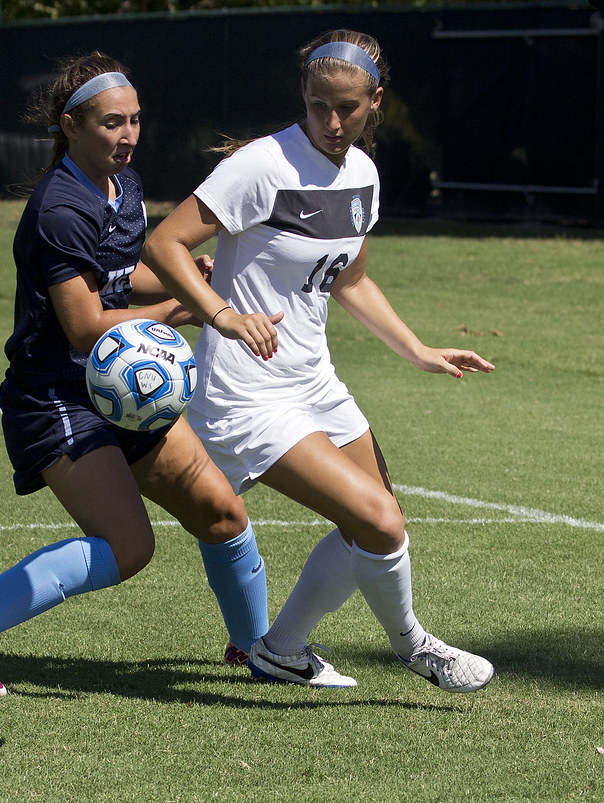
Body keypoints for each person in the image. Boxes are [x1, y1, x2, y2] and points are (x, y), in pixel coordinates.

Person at [142, 30, 495, 692]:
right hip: (245, 395)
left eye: (348, 108)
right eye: (318, 105)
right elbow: (165, 244)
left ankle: (280, 648)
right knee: (380, 522)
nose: (332, 123)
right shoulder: (262, 167)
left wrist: (417, 350)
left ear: (375, 102)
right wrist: (222, 315)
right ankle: (415, 645)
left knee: (377, 522)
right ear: (303, 96)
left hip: (314, 381)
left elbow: (350, 279)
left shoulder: (364, 175)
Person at [0, 52, 268, 696]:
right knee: (128, 546)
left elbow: (115, 273)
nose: (128, 136)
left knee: (222, 511)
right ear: (69, 125)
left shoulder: (121, 185)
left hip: (118, 387)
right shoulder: (59, 208)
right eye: (112, 123)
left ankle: (261, 649)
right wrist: (177, 310)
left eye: (135, 121)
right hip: (55, 396)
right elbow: (81, 323)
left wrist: (181, 277)